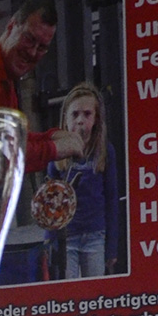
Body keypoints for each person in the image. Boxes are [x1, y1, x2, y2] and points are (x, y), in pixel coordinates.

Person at [0, 0, 82, 168]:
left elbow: (13, 139)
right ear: (12, 26)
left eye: (42, 47)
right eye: (29, 39)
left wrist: (52, 136)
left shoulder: (5, 80)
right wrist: (54, 148)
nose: (32, 52)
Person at [45, 82, 120, 279]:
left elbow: (112, 199)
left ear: (96, 119)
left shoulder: (105, 152)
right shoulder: (57, 154)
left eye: (87, 114)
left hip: (95, 235)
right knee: (68, 291)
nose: (80, 121)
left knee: (94, 292)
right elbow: (49, 203)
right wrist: (50, 242)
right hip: (66, 237)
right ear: (66, 119)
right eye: (75, 114)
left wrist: (112, 247)